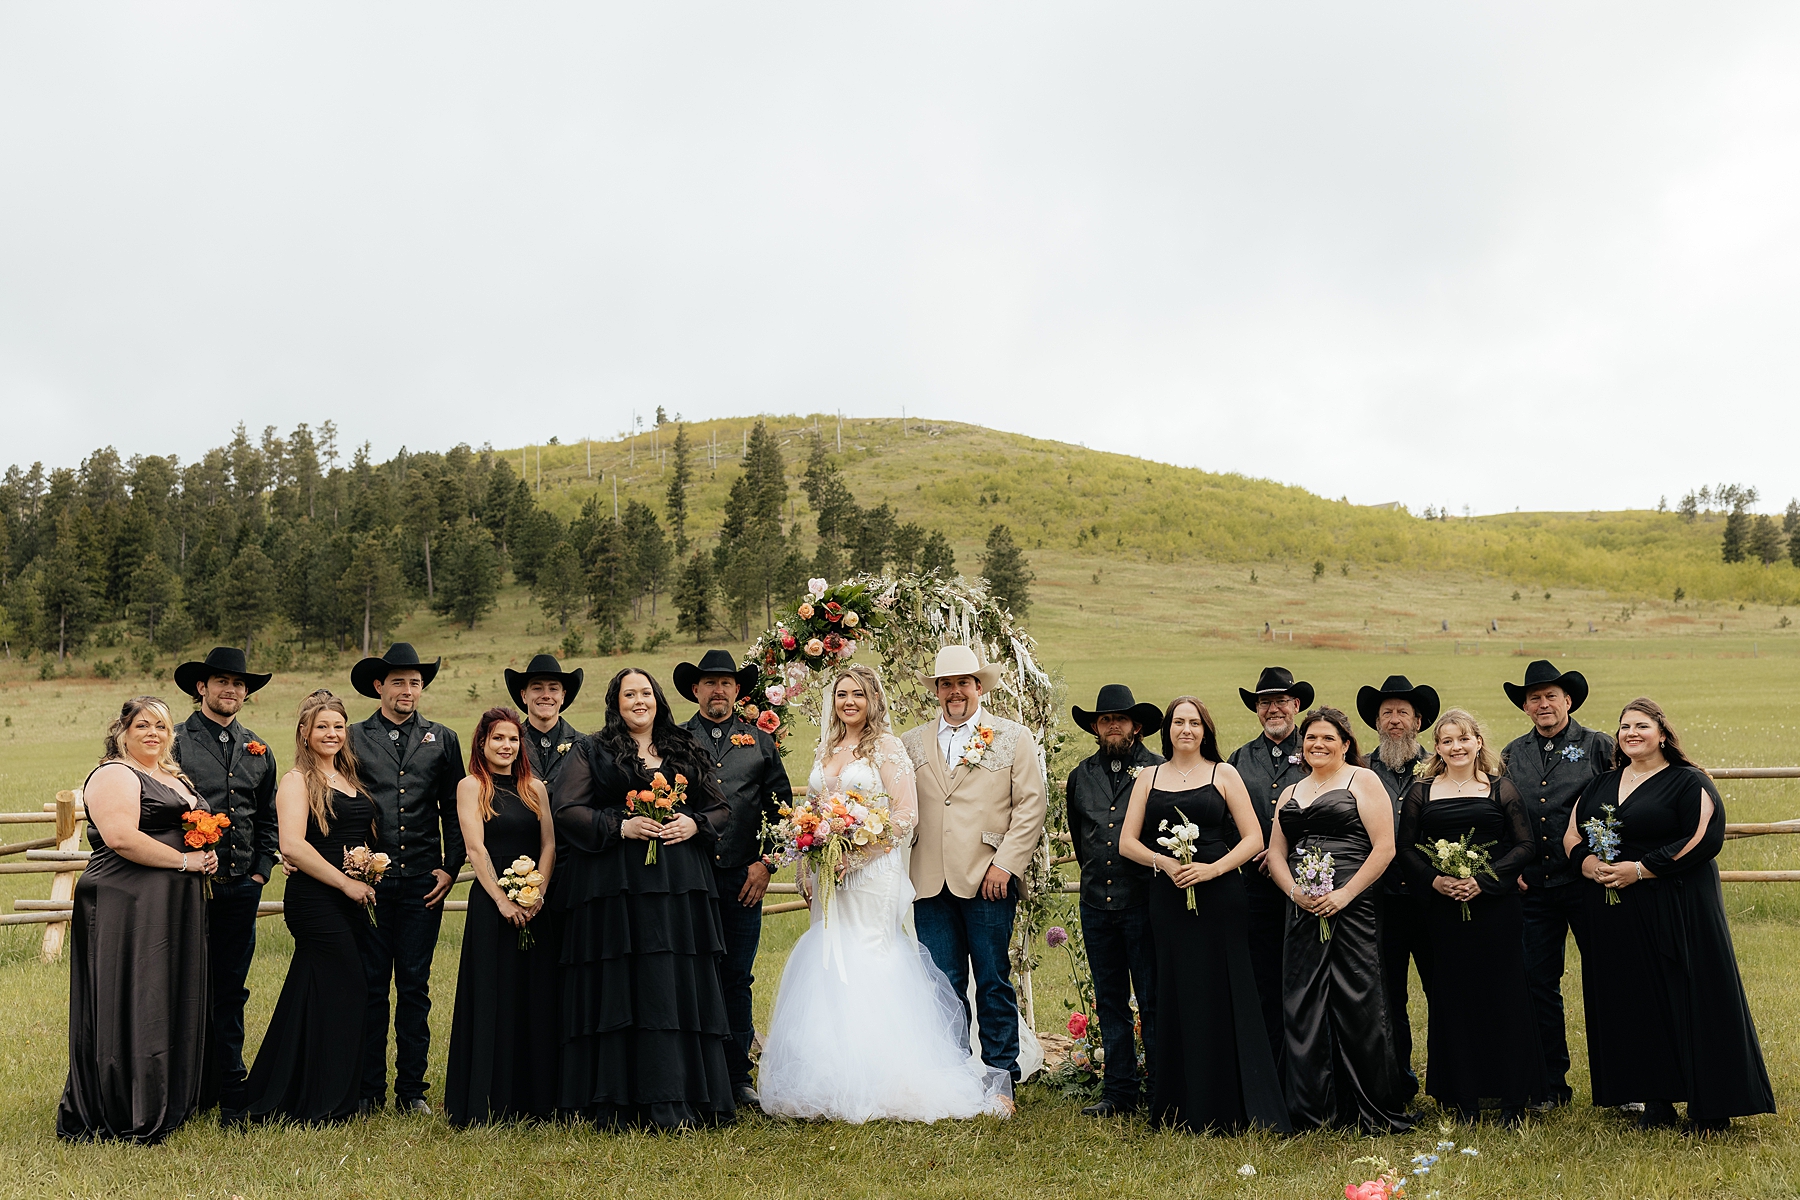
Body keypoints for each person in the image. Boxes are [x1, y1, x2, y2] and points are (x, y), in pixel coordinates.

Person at [759, 664, 1012, 1122]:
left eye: (858, 694)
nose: (849, 702)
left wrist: (855, 853)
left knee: (869, 952)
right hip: (829, 872)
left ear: (873, 699)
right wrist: (807, 862)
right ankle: (832, 1075)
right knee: (832, 954)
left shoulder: (888, 748)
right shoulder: (826, 747)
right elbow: (814, 809)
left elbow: (905, 815)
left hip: (872, 871)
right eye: (842, 694)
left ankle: (885, 1076)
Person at [1566, 698, 1775, 1132]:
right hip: (1617, 910)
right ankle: (1655, 1100)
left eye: (1642, 725)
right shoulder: (1601, 784)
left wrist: (1642, 869)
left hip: (1679, 904)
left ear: (1662, 734)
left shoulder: (1688, 781)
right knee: (1634, 999)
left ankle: (1712, 1108)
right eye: (1625, 726)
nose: (1631, 733)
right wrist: (1588, 864)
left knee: (1693, 996)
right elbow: (1572, 834)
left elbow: (1703, 837)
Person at [552, 668, 737, 1129]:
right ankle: (618, 1099)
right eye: (629, 694)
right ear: (615, 702)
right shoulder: (591, 750)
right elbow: (567, 810)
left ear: (658, 700)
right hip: (617, 890)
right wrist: (621, 826)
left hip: (678, 889)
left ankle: (681, 1093)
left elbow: (720, 807)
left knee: (671, 981)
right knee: (623, 982)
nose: (639, 700)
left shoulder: (683, 747)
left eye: (646, 693)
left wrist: (694, 823)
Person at [1119, 697, 1289, 1135]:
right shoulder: (1148, 776)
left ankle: (1232, 1101)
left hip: (1220, 897)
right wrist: (1164, 862)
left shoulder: (1223, 773)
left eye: (1194, 722)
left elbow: (1254, 838)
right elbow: (1127, 842)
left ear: (1205, 730)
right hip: (1169, 895)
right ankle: (1180, 1103)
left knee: (1225, 988)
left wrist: (1212, 870)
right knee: (1177, 988)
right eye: (1178, 722)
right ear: (1167, 730)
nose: (1186, 729)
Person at [57, 697, 216, 1144]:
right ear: (122, 732)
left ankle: (169, 1094)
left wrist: (206, 855)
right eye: (142, 725)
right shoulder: (115, 773)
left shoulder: (173, 776)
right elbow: (121, 837)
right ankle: (125, 1102)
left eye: (161, 726)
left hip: (173, 902)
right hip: (127, 902)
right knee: (137, 993)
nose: (153, 733)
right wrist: (185, 861)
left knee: (168, 991)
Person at [902, 644, 1048, 1084]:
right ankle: (954, 1078)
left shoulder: (1012, 736)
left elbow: (1031, 806)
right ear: (937, 691)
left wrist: (1006, 865)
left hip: (989, 878)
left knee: (992, 979)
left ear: (979, 686)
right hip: (930, 881)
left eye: (963, 682)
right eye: (946, 684)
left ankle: (1001, 1075)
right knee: (942, 983)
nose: (955, 692)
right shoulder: (911, 742)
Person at [1264, 706, 1411, 1134]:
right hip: (1304, 908)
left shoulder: (1362, 780)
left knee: (1358, 1000)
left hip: (1353, 904)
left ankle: (1368, 1103)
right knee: (1304, 1000)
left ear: (1345, 744)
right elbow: (1276, 853)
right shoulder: (1290, 792)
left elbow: (1384, 847)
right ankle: (1314, 1107)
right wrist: (1295, 893)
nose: (1318, 744)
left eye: (1328, 737)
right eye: (1311, 738)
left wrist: (1345, 894)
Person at [1395, 709, 1543, 1124]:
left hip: (1495, 906)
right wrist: (1436, 881)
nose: (1456, 747)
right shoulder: (1421, 792)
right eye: (1447, 740)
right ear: (1437, 748)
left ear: (1478, 742)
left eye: (1463, 739)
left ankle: (1513, 1097)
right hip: (1444, 910)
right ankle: (1464, 1097)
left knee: (1505, 995)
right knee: (1454, 997)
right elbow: (1405, 848)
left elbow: (1525, 845)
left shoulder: (1500, 788)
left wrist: (1484, 879)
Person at [243, 690, 379, 1125]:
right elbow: (293, 846)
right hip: (316, 900)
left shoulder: (349, 777)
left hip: (350, 897)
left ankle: (293, 1087)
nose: (332, 733)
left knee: (311, 991)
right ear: (304, 732)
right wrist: (346, 882)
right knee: (347, 987)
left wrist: (367, 868)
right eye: (322, 726)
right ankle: (324, 1099)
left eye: (338, 726)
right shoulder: (296, 780)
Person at [347, 642, 467, 1115]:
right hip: (370, 882)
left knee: (415, 985)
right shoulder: (353, 737)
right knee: (372, 985)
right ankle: (369, 1090)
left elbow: (455, 810)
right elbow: (339, 802)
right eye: (398, 682)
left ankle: (412, 1090)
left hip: (422, 881)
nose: (408, 690)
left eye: (415, 683)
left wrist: (450, 867)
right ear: (379, 686)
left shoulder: (443, 738)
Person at [675, 649, 792, 1109]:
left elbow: (784, 814)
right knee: (691, 975)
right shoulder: (675, 740)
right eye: (710, 682)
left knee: (737, 977)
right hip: (690, 880)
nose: (718, 690)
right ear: (695, 690)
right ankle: (693, 1073)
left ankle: (737, 1075)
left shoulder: (760, 742)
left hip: (744, 881)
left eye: (726, 682)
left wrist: (767, 865)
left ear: (737, 690)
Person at [170, 646, 279, 1123]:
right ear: (202, 687)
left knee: (232, 988)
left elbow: (268, 817)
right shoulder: (175, 742)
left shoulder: (259, 748)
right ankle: (186, 1084)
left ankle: (231, 1084)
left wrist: (260, 872)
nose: (231, 690)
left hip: (241, 888)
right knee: (186, 984)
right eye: (222, 682)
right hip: (187, 888)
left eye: (238, 684)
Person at [1499, 660, 1613, 1110]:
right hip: (1534, 889)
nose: (1543, 704)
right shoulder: (1512, 754)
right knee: (1537, 985)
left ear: (1568, 700)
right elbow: (1501, 815)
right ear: (1525, 707)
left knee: (1607, 980)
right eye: (1534, 698)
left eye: (1551, 696)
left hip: (1588, 882)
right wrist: (1510, 868)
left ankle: (1623, 1088)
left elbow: (1626, 798)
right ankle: (1549, 1086)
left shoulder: (1598, 746)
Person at [445, 706, 560, 1126]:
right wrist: (503, 901)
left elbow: (549, 844)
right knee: (493, 994)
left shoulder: (535, 787)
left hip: (535, 905)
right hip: (492, 905)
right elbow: (476, 849)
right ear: (482, 742)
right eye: (498, 738)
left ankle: (535, 1100)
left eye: (513, 739)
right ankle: (486, 1099)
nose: (506, 746)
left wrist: (537, 894)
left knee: (534, 996)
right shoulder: (471, 785)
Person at [1065, 684, 1165, 1117]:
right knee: (1109, 1000)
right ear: (1095, 727)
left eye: (1119, 719)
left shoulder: (1157, 770)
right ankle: (1119, 1092)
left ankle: (1161, 1089)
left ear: (1136, 726)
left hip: (1142, 902)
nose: (1112, 726)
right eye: (1104, 720)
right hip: (1095, 904)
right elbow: (1081, 838)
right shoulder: (1081, 775)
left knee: (1152, 999)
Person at [1226, 666, 1313, 1072]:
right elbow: (1226, 818)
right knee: (1262, 980)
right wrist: (1250, 851)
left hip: (1308, 885)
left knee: (1304, 981)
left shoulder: (1315, 749)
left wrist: (1284, 854)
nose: (1273, 709)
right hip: (1254, 890)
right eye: (1265, 702)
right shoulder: (1239, 760)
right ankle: (1268, 1071)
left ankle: (1305, 1071)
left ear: (1296, 705)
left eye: (1280, 701)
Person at [1355, 674, 1438, 1102]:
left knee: (1442, 990)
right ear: (1376, 722)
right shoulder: (1360, 769)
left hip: (1432, 898)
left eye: (1402, 712)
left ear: (1418, 721)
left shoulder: (1440, 764)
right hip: (1379, 900)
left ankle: (1447, 1082)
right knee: (1388, 998)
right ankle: (1397, 1083)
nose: (1394, 720)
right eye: (1386, 713)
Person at [506, 653, 588, 796]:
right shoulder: (508, 745)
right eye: (537, 688)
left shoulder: (584, 745)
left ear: (562, 696)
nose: (546, 695)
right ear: (524, 695)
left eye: (553, 689)